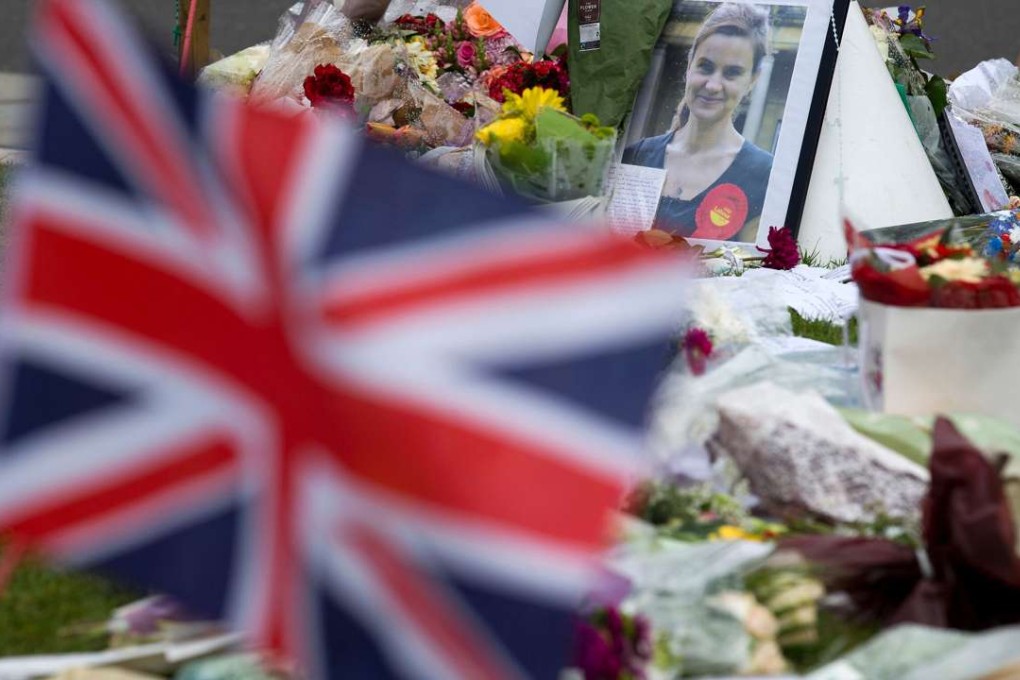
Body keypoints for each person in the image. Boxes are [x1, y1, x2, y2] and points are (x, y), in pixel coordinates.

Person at [624, 3, 774, 241]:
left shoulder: (766, 176)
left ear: (752, 81)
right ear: (689, 65)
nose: (713, 85)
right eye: (705, 67)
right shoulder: (636, 156)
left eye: (732, 73)